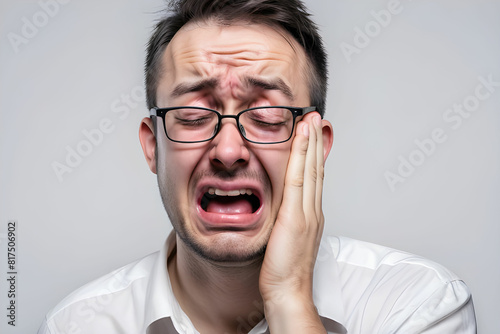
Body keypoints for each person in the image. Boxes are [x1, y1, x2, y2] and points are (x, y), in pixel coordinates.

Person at [38, 0, 476, 333]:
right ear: (153, 146)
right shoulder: (79, 324)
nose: (228, 151)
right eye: (192, 116)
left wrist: (289, 299)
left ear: (317, 148)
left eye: (267, 117)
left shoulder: (417, 305)